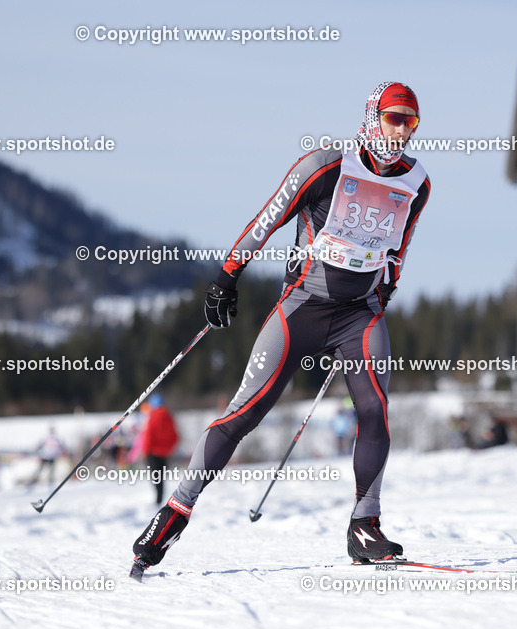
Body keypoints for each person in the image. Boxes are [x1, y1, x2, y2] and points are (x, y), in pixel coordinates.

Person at [131, 81, 431, 574]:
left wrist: (387, 285)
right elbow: (266, 220)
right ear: (371, 117)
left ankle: (365, 524)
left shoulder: (417, 183)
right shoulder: (325, 166)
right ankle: (174, 512)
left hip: (360, 313)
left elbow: (401, 245)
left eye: (410, 122)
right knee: (243, 415)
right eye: (393, 117)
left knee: (375, 408)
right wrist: (227, 277)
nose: (400, 130)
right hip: (303, 307)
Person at [142, 393, 180, 505]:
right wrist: (169, 448)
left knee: (155, 477)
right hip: (165, 453)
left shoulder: (153, 417)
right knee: (161, 477)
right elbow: (175, 436)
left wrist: (145, 451)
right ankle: (159, 499)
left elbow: (148, 436)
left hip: (153, 452)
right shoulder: (169, 417)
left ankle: (158, 500)